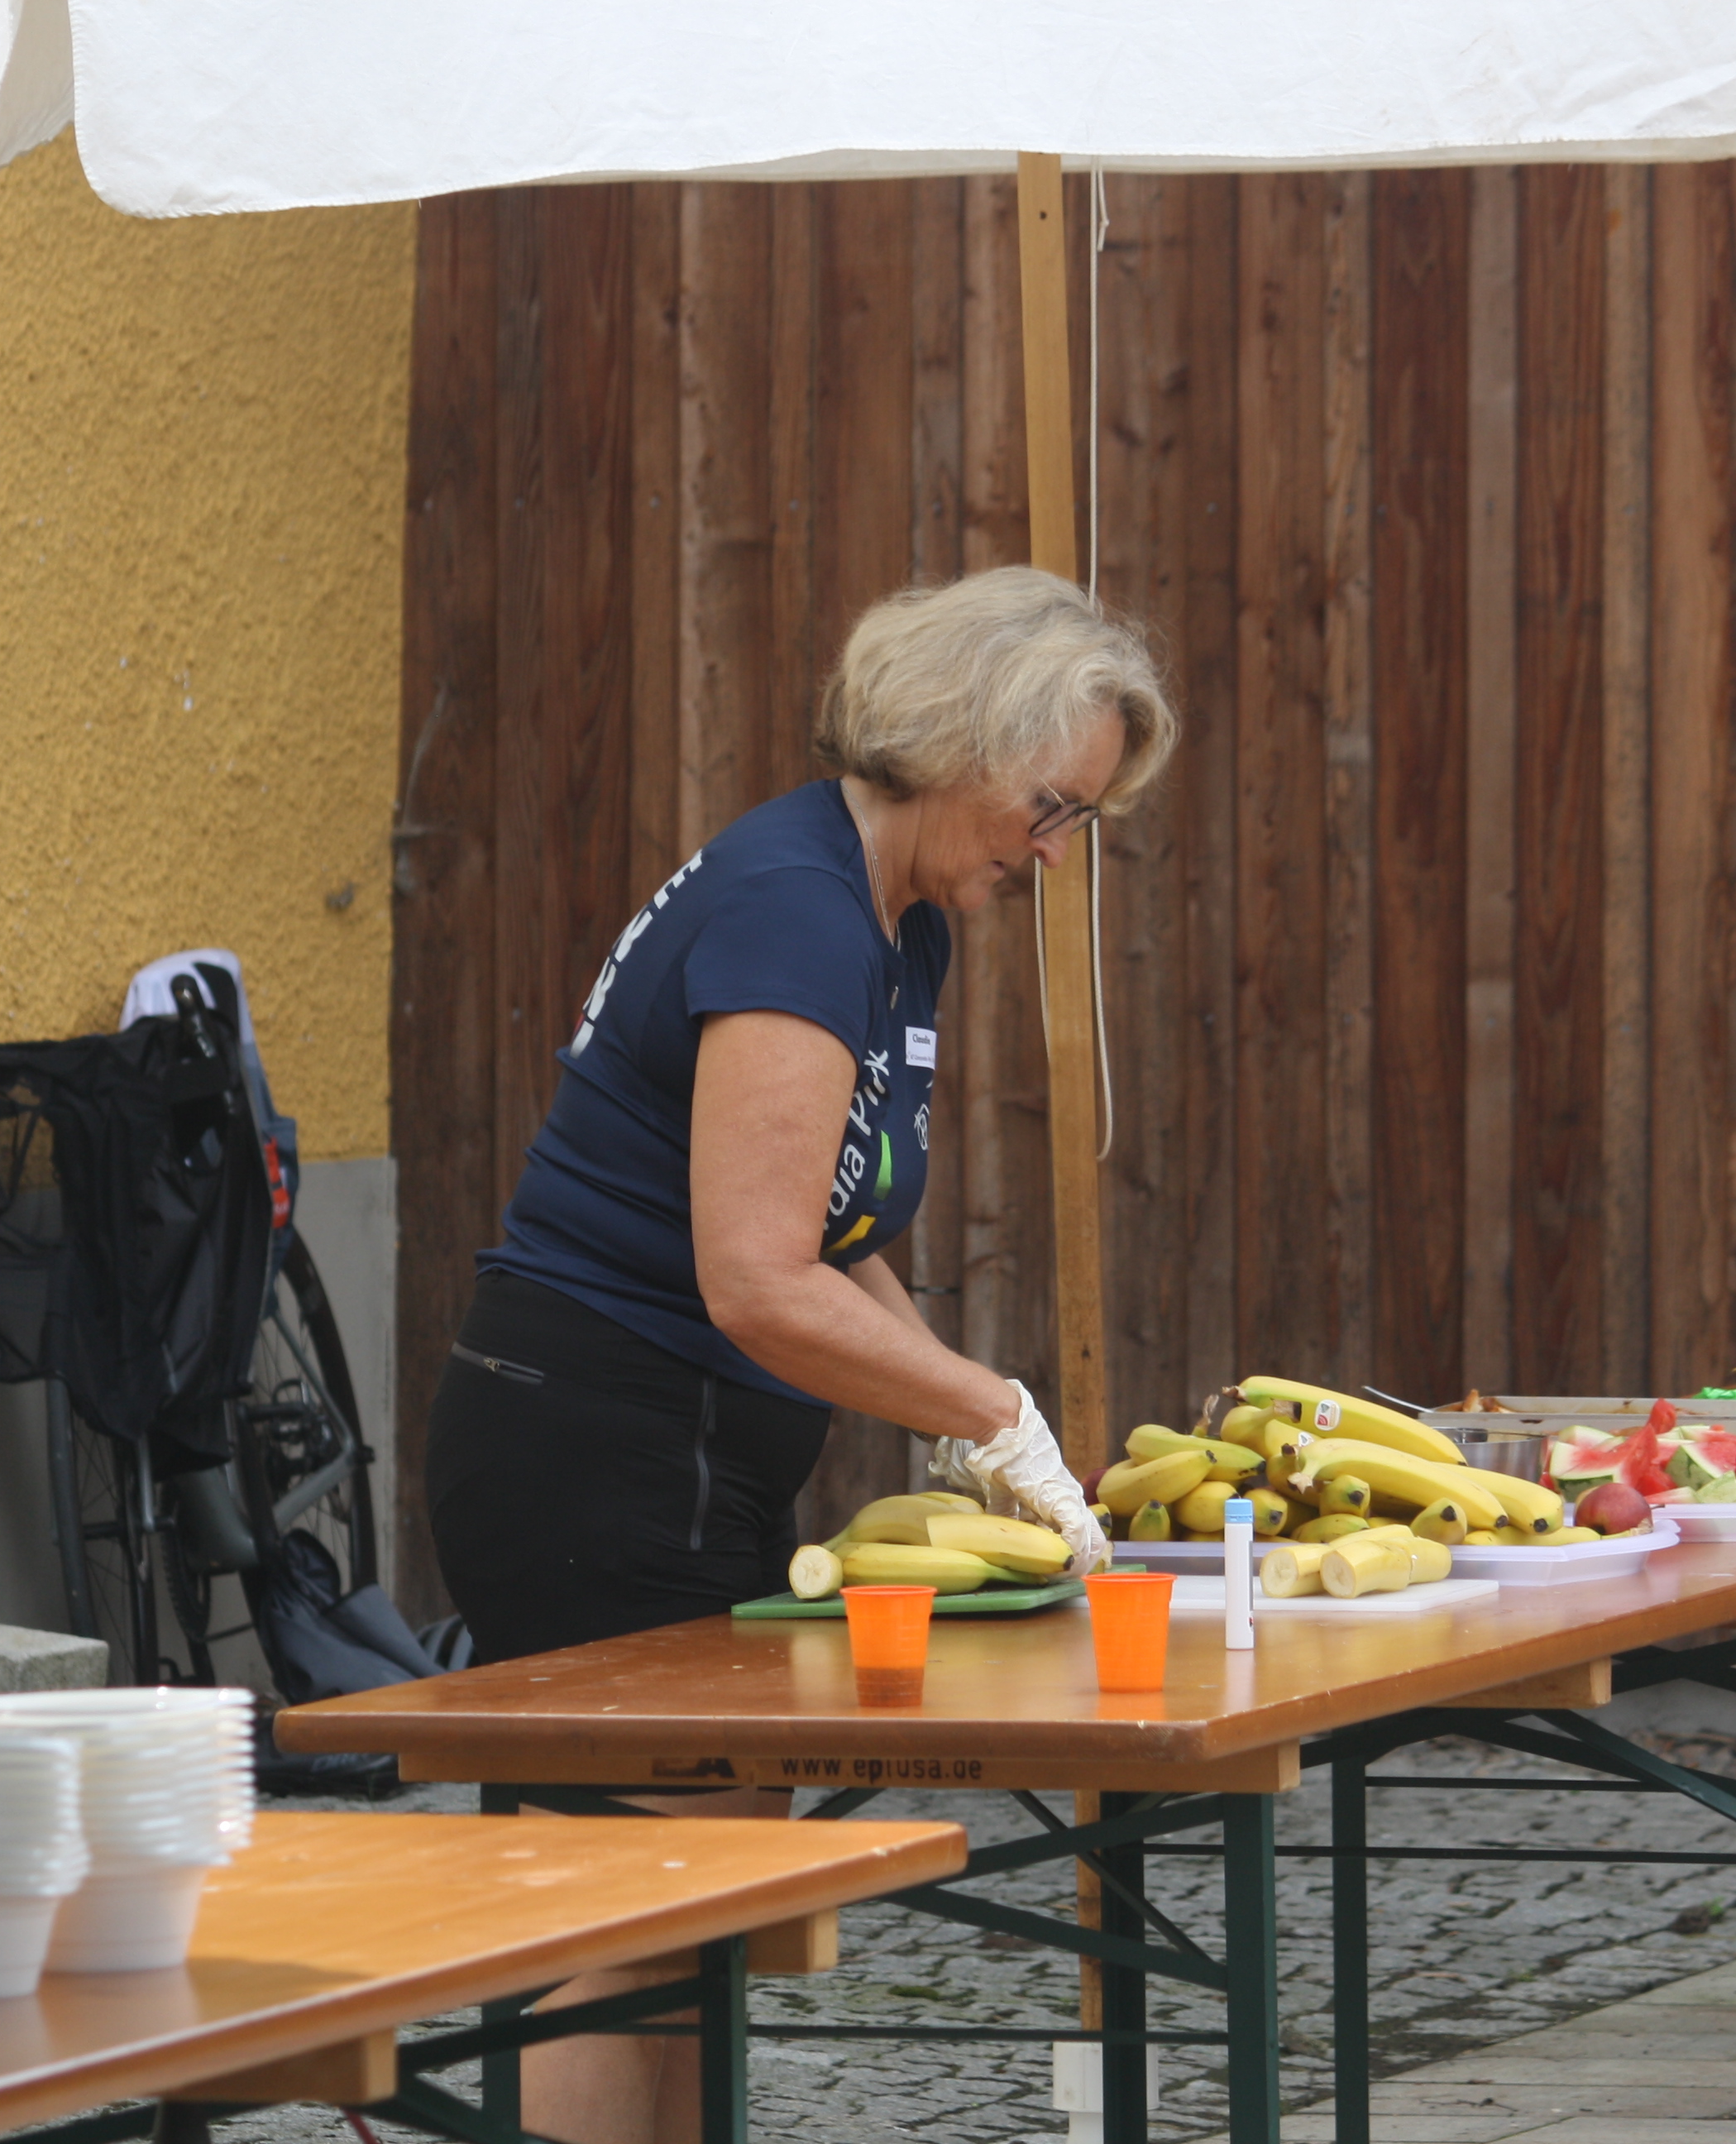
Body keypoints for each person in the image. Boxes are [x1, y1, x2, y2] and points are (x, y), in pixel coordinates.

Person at [419, 566, 1174, 2144]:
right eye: (1051, 806)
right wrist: (990, 1406)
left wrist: (957, 1420)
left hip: (677, 1456)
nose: (1053, 851)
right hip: (596, 1450)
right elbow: (756, 1280)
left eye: (1081, 822)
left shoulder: (896, 921)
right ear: (963, 739)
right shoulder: (798, 911)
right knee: (625, 1914)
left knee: (708, 1904)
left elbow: (829, 1234)